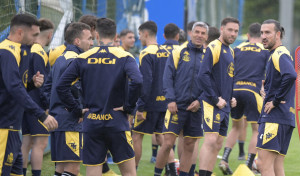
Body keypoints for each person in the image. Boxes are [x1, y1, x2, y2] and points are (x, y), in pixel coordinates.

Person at [56, 17, 142, 176]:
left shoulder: (83, 58)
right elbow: (137, 81)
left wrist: (77, 110)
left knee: (94, 170)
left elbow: (61, 86)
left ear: (96, 35)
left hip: (92, 122)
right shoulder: (124, 56)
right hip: (117, 122)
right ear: (116, 36)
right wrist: (129, 107)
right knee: (129, 172)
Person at [0, 13, 57, 175]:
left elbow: (14, 87)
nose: (36, 38)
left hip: (12, 127)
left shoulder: (20, 50)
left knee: (17, 171)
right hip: (3, 126)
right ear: (19, 32)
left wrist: (31, 84)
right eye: (34, 35)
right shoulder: (7, 52)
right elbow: (14, 88)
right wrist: (42, 114)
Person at [154, 21, 208, 176]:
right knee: (168, 144)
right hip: (176, 105)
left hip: (196, 108)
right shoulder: (179, 51)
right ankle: (157, 173)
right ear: (191, 33)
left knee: (190, 144)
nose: (199, 35)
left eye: (203, 33)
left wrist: (200, 101)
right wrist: (170, 99)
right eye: (197, 32)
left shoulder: (208, 56)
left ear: (206, 36)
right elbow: (167, 77)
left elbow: (210, 84)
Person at [219, 23, 269, 174]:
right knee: (256, 129)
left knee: (235, 126)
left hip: (235, 90)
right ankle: (248, 165)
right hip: (253, 92)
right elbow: (267, 74)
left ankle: (224, 159)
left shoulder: (237, 49)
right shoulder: (264, 50)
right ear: (261, 36)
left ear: (247, 35)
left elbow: (230, 70)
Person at [43, 22, 93, 176]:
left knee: (61, 169)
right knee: (73, 169)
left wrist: (52, 108)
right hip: (70, 121)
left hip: (59, 118)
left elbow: (47, 87)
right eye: (89, 39)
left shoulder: (61, 58)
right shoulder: (76, 60)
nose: (92, 43)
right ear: (77, 41)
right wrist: (77, 110)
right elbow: (67, 88)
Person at [197, 17, 239, 176]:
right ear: (222, 29)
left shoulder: (231, 50)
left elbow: (228, 77)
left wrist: (231, 96)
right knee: (210, 141)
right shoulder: (214, 47)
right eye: (230, 30)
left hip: (225, 105)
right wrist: (215, 99)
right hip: (212, 103)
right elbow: (203, 75)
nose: (233, 33)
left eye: (236, 31)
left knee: (218, 143)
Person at [256, 19, 296, 176]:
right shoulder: (276, 54)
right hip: (284, 118)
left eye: (267, 32)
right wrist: (267, 88)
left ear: (278, 34)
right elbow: (284, 78)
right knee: (277, 167)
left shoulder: (279, 53)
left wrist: (275, 100)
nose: (263, 36)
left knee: (263, 164)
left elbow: (291, 75)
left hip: (275, 118)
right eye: (261, 33)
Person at [131, 21, 171, 173]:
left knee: (136, 137)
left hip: (149, 105)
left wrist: (140, 107)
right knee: (163, 140)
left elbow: (145, 81)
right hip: (164, 103)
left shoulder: (146, 53)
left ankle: (132, 171)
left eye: (140, 35)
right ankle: (172, 170)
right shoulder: (166, 52)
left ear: (146, 34)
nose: (139, 38)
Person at [21, 18, 54, 176]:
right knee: (40, 143)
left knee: (26, 142)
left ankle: (19, 173)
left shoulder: (28, 49)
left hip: (25, 101)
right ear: (49, 35)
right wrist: (47, 105)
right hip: (37, 104)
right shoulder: (39, 52)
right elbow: (42, 83)